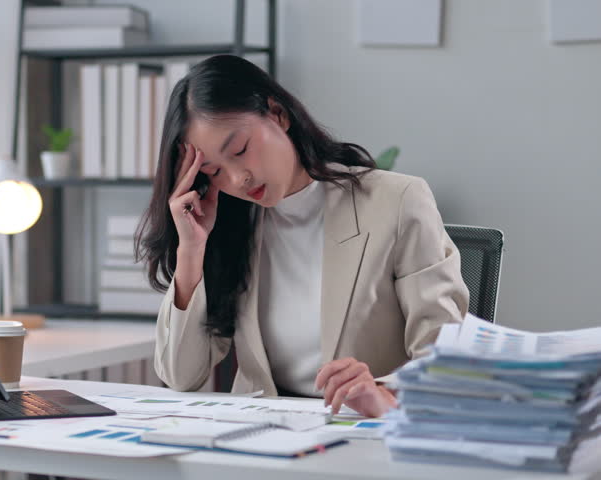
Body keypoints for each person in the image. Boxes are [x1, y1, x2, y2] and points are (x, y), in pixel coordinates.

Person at [136, 55, 469, 418]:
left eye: (240, 150)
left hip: (365, 431)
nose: (237, 179)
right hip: (263, 441)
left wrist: (382, 389)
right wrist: (191, 250)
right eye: (214, 171)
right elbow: (181, 377)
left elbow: (443, 356)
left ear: (277, 113)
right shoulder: (231, 227)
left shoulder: (398, 201)